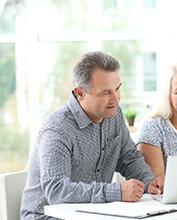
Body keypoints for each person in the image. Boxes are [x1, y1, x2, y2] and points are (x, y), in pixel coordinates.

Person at [20, 51, 162, 220]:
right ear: (80, 93)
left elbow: (128, 157)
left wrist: (149, 182)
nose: (115, 99)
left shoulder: (114, 116)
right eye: (105, 93)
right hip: (45, 216)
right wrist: (116, 192)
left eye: (117, 89)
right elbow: (57, 191)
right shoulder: (57, 128)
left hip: (94, 213)